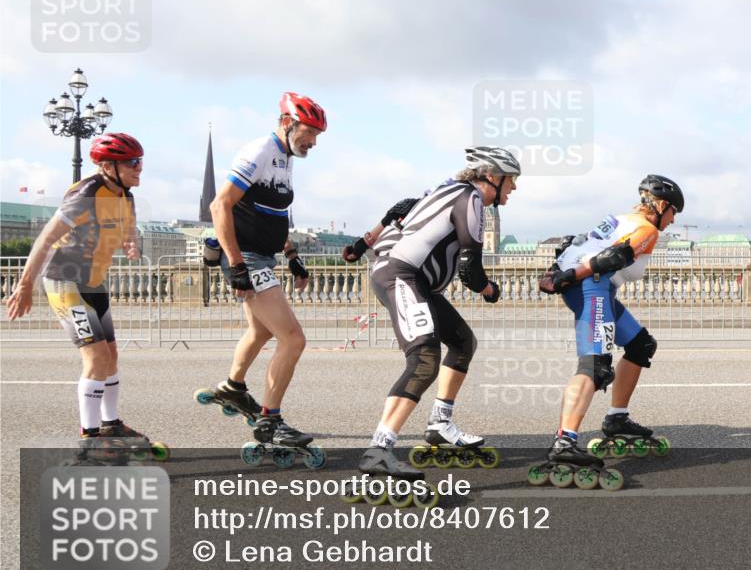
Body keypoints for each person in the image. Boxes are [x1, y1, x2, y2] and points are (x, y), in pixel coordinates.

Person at [356, 147, 518, 479]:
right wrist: (491, 291)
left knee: (462, 342)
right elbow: (470, 271)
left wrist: (362, 245)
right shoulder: (471, 199)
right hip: (402, 275)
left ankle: (440, 424)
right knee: (424, 360)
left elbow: (400, 209)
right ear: (493, 177)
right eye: (512, 180)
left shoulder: (449, 189)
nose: (514, 188)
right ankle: (379, 449)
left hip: (417, 281)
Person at [6, 133, 165, 459]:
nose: (139, 168)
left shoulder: (127, 195)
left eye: (140, 161)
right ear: (108, 166)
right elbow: (45, 240)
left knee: (112, 357)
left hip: (94, 283)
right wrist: (24, 285)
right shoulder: (85, 193)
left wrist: (130, 242)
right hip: (66, 282)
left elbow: (129, 224)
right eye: (133, 162)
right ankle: (89, 442)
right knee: (96, 360)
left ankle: (110, 425)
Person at [537, 175, 683, 485]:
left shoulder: (618, 219)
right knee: (595, 366)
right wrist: (567, 277)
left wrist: (556, 274)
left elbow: (572, 245)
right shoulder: (646, 229)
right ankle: (565, 441)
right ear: (659, 205)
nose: (673, 220)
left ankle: (617, 418)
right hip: (594, 288)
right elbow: (611, 258)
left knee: (641, 345)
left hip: (596, 289)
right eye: (673, 212)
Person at [202, 92, 325, 453]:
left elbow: (272, 214)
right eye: (310, 133)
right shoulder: (259, 152)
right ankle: (271, 421)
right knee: (293, 338)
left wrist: (292, 256)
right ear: (287, 123)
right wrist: (237, 264)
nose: (314, 142)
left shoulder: (286, 159)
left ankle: (233, 388)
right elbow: (219, 204)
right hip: (248, 259)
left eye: (317, 135)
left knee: (259, 331)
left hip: (263, 256)